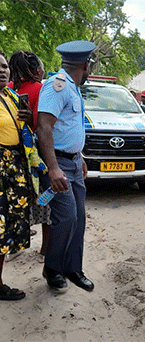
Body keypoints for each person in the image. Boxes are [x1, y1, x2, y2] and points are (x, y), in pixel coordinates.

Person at [37, 40, 96, 292]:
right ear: (85, 64)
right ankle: (52, 268)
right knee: (66, 217)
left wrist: (78, 155)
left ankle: (72, 268)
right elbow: (44, 127)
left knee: (79, 218)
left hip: (72, 162)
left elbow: (67, 127)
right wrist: (53, 169)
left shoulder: (73, 87)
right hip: (58, 164)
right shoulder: (57, 85)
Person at [0, 50, 44, 300]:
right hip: (2, 170)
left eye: (5, 66)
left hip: (13, 170)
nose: (2, 70)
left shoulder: (11, 96)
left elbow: (25, 130)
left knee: (5, 230)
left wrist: (27, 119)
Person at [8, 50, 50, 260]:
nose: (42, 71)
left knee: (16, 204)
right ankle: (45, 248)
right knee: (45, 201)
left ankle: (12, 248)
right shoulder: (40, 89)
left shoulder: (6, 90)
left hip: (12, 159)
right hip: (36, 158)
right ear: (35, 69)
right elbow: (41, 125)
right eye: (41, 67)